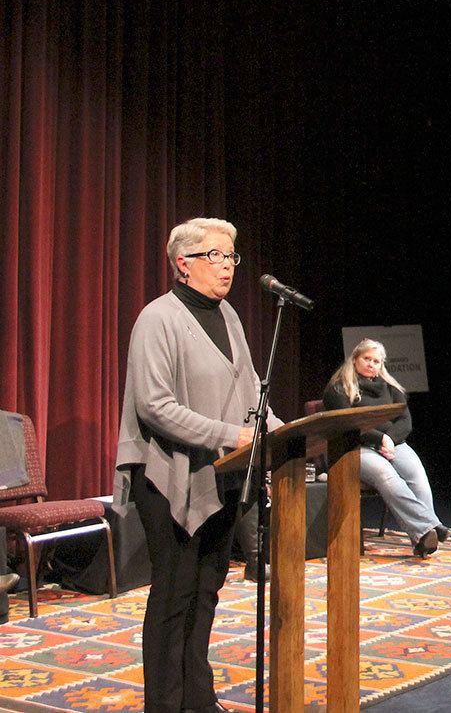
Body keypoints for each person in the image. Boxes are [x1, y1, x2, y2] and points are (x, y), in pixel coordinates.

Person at [112, 217, 281, 713]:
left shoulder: (228, 316)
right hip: (168, 478)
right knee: (175, 595)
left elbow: (252, 389)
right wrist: (231, 435)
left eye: (232, 256)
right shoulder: (157, 319)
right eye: (216, 256)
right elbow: (154, 406)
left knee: (207, 589)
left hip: (222, 472)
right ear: (183, 264)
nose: (228, 265)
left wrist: (283, 432)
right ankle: (164, 705)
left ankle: (197, 699)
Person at [322, 338, 451, 556]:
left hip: (393, 443)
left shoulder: (391, 388)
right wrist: (380, 439)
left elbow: (405, 421)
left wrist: (389, 439)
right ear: (354, 360)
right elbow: (348, 424)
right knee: (386, 474)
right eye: (367, 359)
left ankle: (424, 537)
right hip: (354, 447)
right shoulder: (338, 389)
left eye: (377, 361)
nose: (372, 364)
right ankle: (429, 527)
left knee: (417, 475)